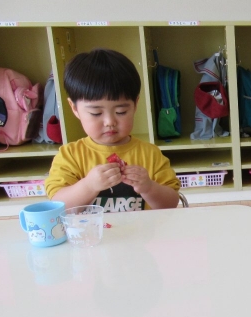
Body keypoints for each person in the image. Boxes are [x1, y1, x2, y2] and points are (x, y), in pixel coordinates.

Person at [45, 49, 179, 211]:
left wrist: (149, 187)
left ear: (135, 105)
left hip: (143, 228)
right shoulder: (70, 156)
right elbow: (58, 206)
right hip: (89, 228)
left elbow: (171, 203)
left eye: (121, 112)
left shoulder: (150, 154)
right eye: (96, 113)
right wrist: (88, 186)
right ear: (74, 108)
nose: (110, 122)